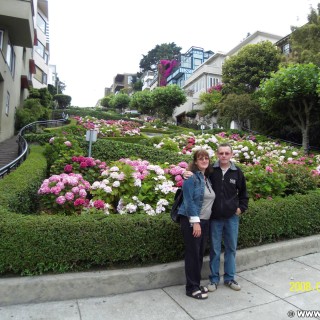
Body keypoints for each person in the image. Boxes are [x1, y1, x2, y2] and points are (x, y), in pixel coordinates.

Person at [184, 143, 248, 292]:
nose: (224, 156)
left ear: (231, 155)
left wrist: (240, 209)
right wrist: (185, 173)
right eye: (221, 153)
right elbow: (196, 176)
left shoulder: (237, 172)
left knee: (231, 248)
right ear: (217, 154)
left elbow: (244, 194)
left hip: (232, 218)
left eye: (227, 153)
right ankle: (213, 280)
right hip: (215, 218)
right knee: (215, 249)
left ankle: (230, 278)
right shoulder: (212, 170)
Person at [178, 149, 215, 300]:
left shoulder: (206, 178)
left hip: (204, 221)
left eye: (206, 158)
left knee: (199, 254)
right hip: (192, 221)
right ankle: (191, 288)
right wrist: (196, 222)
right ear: (195, 161)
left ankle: (196, 284)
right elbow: (189, 201)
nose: (204, 161)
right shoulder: (191, 178)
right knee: (193, 254)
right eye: (201, 158)